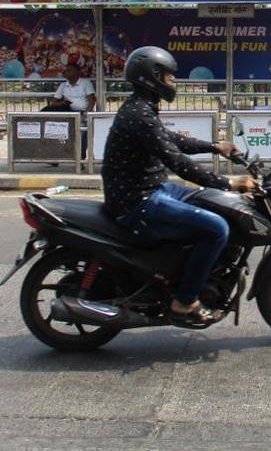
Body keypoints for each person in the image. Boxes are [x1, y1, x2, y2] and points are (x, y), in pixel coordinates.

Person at [102, 46, 255, 326]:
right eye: (170, 77)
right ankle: (184, 301)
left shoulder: (142, 109)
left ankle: (185, 270)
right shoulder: (138, 114)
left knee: (209, 199)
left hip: (152, 189)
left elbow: (171, 140)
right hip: (138, 203)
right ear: (153, 77)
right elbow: (178, 162)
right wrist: (229, 182)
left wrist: (214, 147)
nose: (174, 81)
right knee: (216, 228)